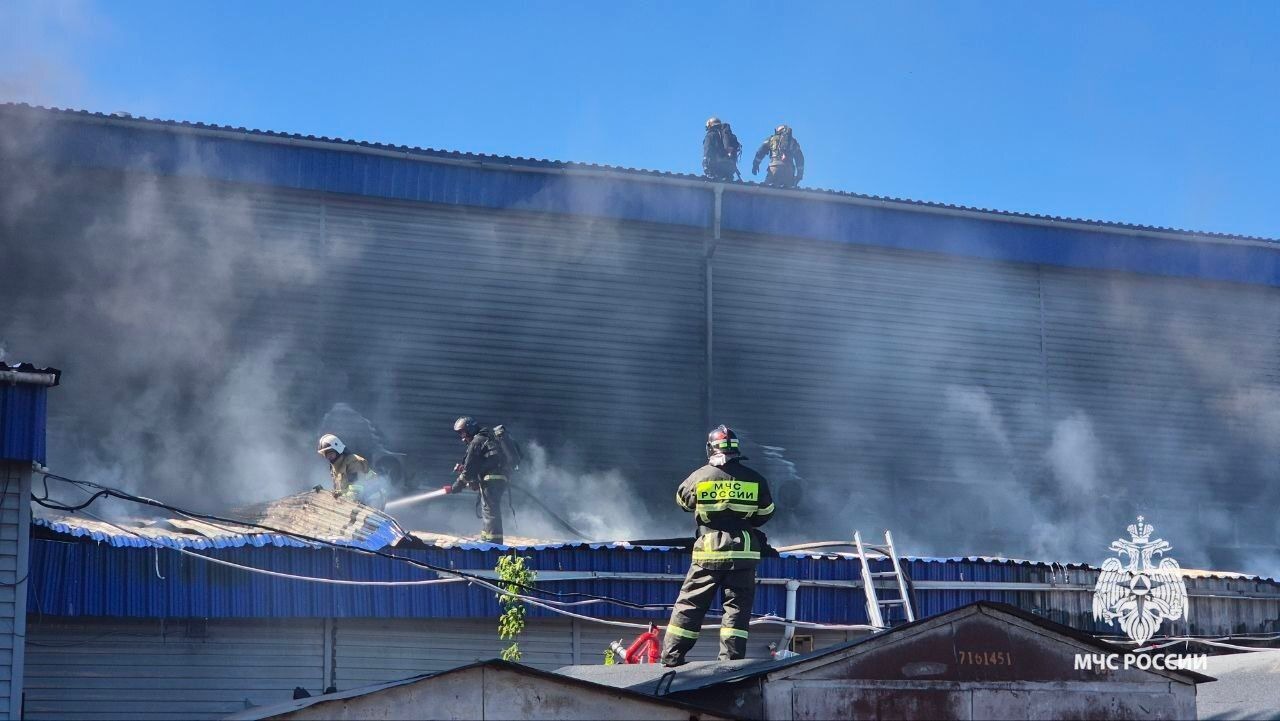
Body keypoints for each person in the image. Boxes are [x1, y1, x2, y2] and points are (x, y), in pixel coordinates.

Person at [661, 425, 775, 666]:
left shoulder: (699, 476)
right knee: (736, 610)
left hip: (708, 551)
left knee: (691, 604)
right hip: (743, 553)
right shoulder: (755, 479)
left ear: (710, 449)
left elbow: (683, 502)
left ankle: (672, 657)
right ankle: (731, 662)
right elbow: (765, 514)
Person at [451, 416, 510, 544]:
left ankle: (494, 544)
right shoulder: (487, 438)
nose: (463, 437)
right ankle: (486, 539)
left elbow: (468, 470)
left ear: (470, 429)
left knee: (490, 511)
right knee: (488, 510)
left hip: (491, 479)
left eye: (463, 433)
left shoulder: (477, 441)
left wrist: (457, 486)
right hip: (498, 478)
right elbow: (480, 465)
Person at [317, 433, 386, 509]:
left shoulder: (353, 462)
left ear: (338, 449)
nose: (329, 457)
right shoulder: (335, 468)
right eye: (326, 455)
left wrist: (339, 502)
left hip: (373, 500)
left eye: (331, 453)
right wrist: (324, 493)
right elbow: (340, 491)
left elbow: (356, 491)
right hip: (360, 501)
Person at [702, 117, 741, 181]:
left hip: (716, 167)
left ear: (709, 125)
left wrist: (706, 167)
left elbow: (707, 151)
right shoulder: (730, 136)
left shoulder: (710, 135)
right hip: (730, 168)